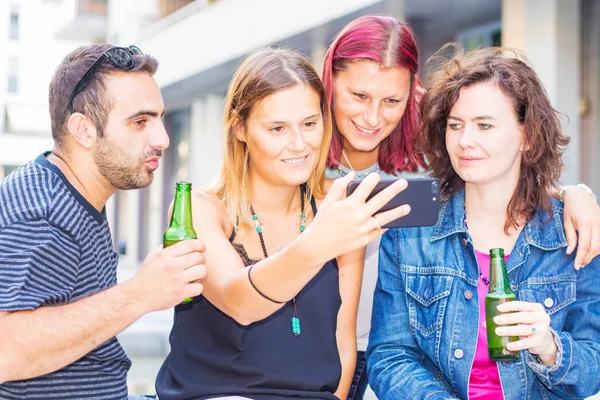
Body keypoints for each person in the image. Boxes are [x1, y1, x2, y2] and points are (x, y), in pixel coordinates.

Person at [320, 14, 600, 399]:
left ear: (528, 135)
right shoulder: (410, 224)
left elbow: (592, 366)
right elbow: (391, 355)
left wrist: (550, 346)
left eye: (484, 125)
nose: (466, 140)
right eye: (455, 126)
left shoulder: (572, 237)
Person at [154, 47, 410, 400]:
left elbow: (343, 343)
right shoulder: (201, 209)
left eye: (309, 124)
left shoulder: (337, 209)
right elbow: (238, 300)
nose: (299, 144)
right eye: (277, 128)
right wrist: (319, 243)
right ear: (240, 128)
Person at [0, 44, 206, 399]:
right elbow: (6, 352)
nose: (163, 139)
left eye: (159, 118)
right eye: (140, 122)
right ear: (84, 130)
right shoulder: (42, 211)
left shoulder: (76, 194)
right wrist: (141, 293)